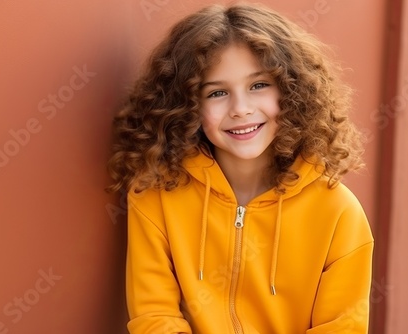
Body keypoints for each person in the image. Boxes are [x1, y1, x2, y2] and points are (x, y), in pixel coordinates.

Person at [108, 3, 374, 333]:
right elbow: (154, 317)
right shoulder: (156, 194)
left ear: (292, 91)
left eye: (258, 85)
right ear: (186, 105)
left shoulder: (338, 212)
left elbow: (340, 328)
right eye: (217, 92)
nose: (240, 109)